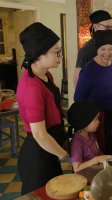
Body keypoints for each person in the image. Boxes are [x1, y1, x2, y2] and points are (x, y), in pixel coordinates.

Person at [17, 22, 68, 194]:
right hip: (39, 154)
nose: (60, 55)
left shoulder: (46, 75)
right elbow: (39, 134)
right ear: (40, 53)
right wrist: (63, 154)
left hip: (49, 148)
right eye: (56, 51)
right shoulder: (30, 86)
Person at [74, 29, 112, 155]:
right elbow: (78, 98)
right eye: (103, 49)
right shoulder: (88, 70)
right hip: (98, 121)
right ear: (97, 50)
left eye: (111, 48)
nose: (107, 53)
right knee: (103, 153)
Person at [67, 101, 112, 172]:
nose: (98, 122)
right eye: (95, 119)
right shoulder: (76, 143)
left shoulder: (91, 134)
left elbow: (97, 152)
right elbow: (77, 168)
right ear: (84, 122)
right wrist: (97, 159)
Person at [73, 10, 112, 87]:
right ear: (95, 27)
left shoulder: (110, 44)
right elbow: (77, 80)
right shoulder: (87, 49)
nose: (110, 30)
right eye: (107, 27)